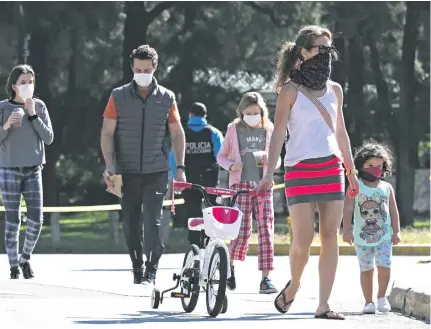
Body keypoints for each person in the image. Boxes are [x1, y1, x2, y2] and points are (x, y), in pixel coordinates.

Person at [256, 25, 360, 319]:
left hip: (330, 167)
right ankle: (295, 284)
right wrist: (268, 173)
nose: (326, 55)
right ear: (304, 52)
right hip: (299, 169)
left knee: (330, 236)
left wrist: (350, 170)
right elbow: (277, 134)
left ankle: (324, 304)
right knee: (303, 240)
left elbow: (341, 133)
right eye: (320, 49)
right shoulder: (289, 90)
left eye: (329, 49)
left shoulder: (335, 90)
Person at [100, 45, 186, 286]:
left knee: (153, 220)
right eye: (138, 69)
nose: (142, 73)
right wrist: (110, 166)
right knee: (130, 221)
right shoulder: (118, 96)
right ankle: (136, 264)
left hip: (156, 170)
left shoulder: (167, 98)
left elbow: (177, 134)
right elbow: (107, 133)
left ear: (155, 68)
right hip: (124, 171)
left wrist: (180, 167)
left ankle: (152, 268)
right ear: (131, 68)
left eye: (146, 69)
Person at [217, 91, 281, 294]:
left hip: (263, 185)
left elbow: (276, 157)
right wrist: (231, 165)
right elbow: (221, 156)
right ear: (242, 112)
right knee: (241, 230)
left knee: (266, 230)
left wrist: (270, 165)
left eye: (256, 112)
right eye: (248, 112)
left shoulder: (269, 129)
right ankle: (230, 269)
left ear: (262, 112)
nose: (253, 115)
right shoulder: (233, 129)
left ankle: (266, 279)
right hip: (240, 185)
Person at [0, 64, 54, 279]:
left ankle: (25, 258)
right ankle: (13, 266)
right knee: (13, 220)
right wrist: (5, 126)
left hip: (33, 169)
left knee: (36, 219)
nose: (27, 86)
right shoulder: (3, 107)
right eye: (23, 83)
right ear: (14, 86)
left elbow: (49, 138)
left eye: (30, 82)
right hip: (9, 169)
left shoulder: (39, 106)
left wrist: (33, 115)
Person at [342, 140, 400, 314]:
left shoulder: (386, 187)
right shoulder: (355, 186)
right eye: (370, 165)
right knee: (366, 268)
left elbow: (393, 210)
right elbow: (348, 208)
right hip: (361, 237)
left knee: (385, 265)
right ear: (361, 165)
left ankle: (382, 297)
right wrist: (346, 230)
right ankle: (368, 302)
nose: (375, 168)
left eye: (379, 165)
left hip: (384, 236)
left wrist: (396, 231)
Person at [169, 102, 224, 247]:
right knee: (211, 211)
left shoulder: (182, 134)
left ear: (190, 115)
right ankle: (209, 242)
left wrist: (174, 177)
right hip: (210, 179)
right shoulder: (213, 133)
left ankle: (194, 244)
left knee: (192, 213)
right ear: (205, 116)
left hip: (188, 179)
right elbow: (222, 156)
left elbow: (172, 158)